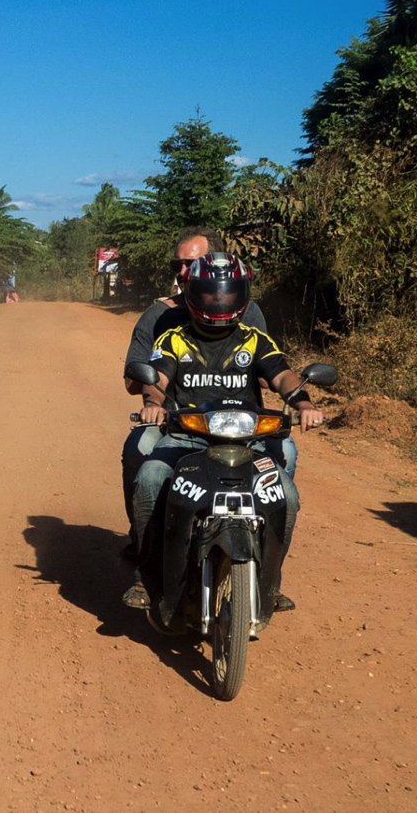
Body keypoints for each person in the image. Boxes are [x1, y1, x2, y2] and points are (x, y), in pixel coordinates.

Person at [126, 253, 325, 611]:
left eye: (228, 294)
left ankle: (270, 582)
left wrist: (304, 405)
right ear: (191, 293)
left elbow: (282, 375)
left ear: (243, 296)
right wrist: (153, 404)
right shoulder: (174, 339)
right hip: (187, 438)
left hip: (247, 440)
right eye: (210, 294)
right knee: (151, 477)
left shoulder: (254, 340)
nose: (219, 302)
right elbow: (157, 381)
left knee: (288, 496)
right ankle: (148, 575)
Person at [119, 229, 288, 565]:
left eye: (191, 263)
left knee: (288, 455)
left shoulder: (248, 314)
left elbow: (270, 373)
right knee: (139, 453)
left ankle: (267, 560)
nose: (183, 272)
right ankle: (145, 546)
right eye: (177, 264)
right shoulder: (161, 316)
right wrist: (154, 402)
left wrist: (298, 397)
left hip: (239, 423)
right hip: (176, 422)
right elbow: (134, 379)